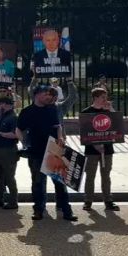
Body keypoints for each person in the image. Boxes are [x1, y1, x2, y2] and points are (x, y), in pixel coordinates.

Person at [16, 85, 76, 221]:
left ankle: (67, 211)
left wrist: (60, 137)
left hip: (54, 151)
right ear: (37, 95)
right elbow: (18, 129)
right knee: (38, 183)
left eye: (49, 94)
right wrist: (24, 143)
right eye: (45, 94)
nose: (48, 97)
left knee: (60, 182)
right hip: (36, 152)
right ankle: (38, 210)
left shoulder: (52, 109)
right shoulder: (27, 111)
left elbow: (58, 126)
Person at [80, 87, 119, 211]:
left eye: (105, 97)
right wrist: (94, 144)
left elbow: (117, 125)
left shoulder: (107, 111)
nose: (105, 100)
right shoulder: (87, 112)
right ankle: (88, 201)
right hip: (91, 150)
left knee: (106, 176)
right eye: (103, 97)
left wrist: (110, 110)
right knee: (90, 176)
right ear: (95, 97)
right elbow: (85, 133)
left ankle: (108, 200)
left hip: (107, 149)